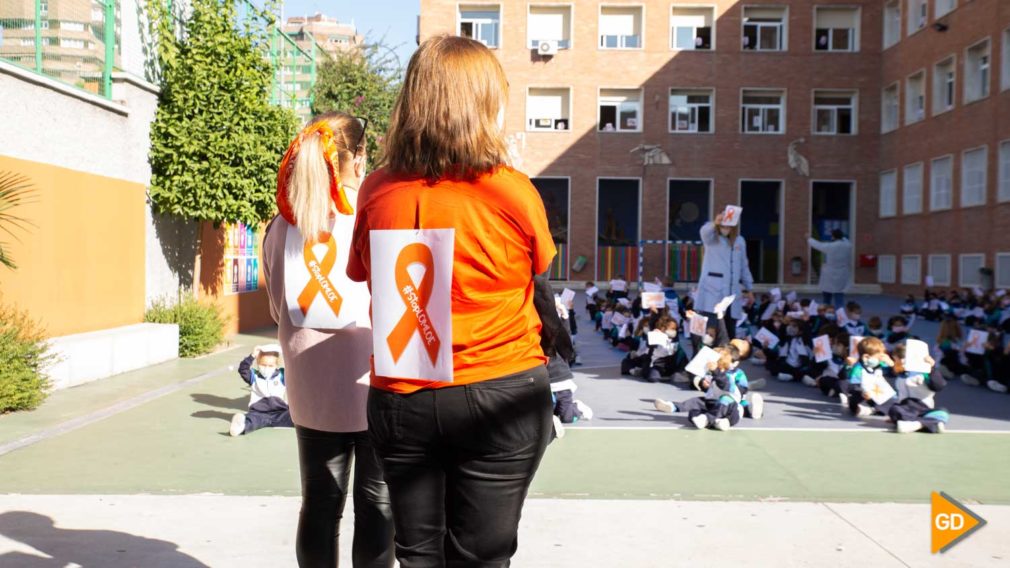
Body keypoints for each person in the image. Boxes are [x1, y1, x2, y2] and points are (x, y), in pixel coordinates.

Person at [346, 36, 556, 567]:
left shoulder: (376, 190)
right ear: (485, 103)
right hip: (499, 387)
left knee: (416, 552)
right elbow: (541, 269)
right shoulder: (511, 190)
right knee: (483, 557)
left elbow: (361, 273)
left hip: (403, 392)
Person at [263, 112, 394, 567]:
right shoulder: (375, 216)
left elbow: (278, 308)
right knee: (378, 504)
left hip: (311, 385)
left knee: (318, 503)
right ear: (357, 158)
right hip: (374, 377)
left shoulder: (281, 225)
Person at [695, 208, 754, 342]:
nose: (725, 228)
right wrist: (714, 223)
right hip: (712, 295)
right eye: (723, 225)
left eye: (729, 225)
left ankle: (725, 361)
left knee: (728, 334)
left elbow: (744, 266)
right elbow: (704, 232)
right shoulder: (712, 239)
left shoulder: (740, 241)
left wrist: (749, 288)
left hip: (732, 297)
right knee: (710, 336)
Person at [231, 344, 292, 437]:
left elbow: (293, 369)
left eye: (270, 365)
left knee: (294, 417)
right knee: (253, 420)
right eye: (263, 365)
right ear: (258, 363)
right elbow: (243, 369)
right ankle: (239, 426)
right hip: (259, 413)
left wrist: (286, 354)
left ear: (276, 365)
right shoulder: (254, 376)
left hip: (280, 412)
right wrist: (252, 356)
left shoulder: (282, 375)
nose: (266, 368)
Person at [806, 229, 853, 309]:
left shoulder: (830, 246)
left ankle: (826, 314)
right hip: (842, 274)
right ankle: (840, 315)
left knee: (826, 298)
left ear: (833, 236)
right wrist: (841, 236)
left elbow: (818, 245)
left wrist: (809, 238)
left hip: (829, 275)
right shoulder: (848, 245)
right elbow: (845, 239)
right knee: (839, 297)